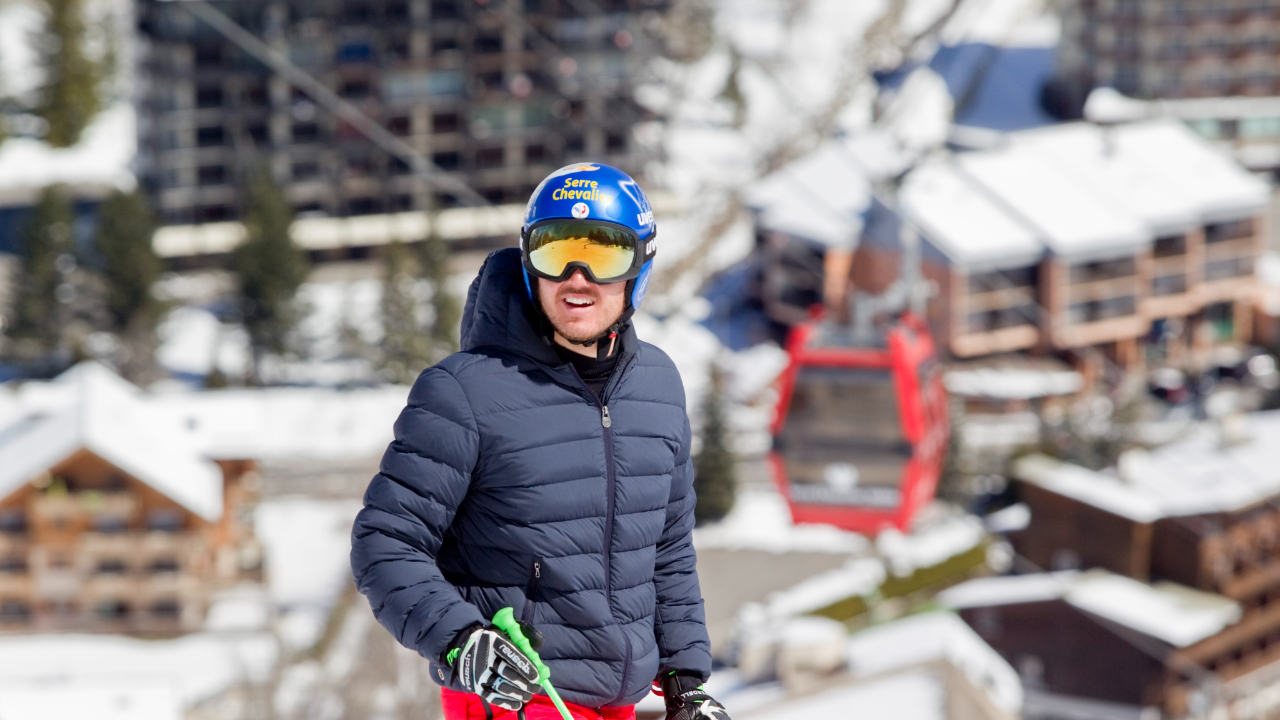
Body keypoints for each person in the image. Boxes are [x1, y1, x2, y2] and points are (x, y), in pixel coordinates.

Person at [351, 163, 732, 720]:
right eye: (556, 252)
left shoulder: (659, 386)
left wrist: (685, 678)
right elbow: (384, 542)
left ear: (639, 268)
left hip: (617, 701)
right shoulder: (464, 392)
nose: (577, 278)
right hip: (517, 697)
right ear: (530, 262)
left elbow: (666, 551)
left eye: (604, 255)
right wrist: (462, 641)